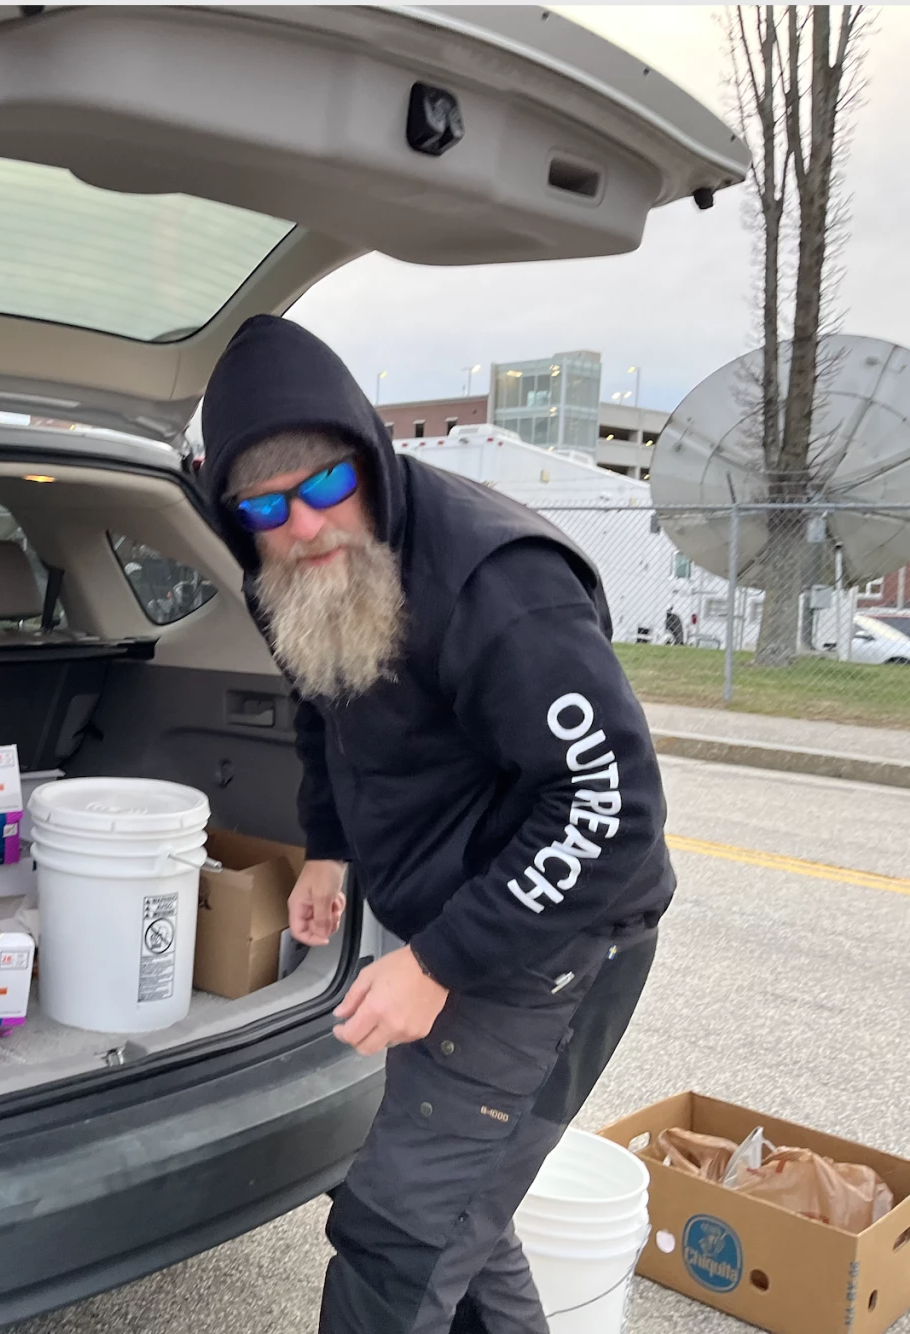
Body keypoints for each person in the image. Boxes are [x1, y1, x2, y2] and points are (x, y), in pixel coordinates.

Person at [199, 316, 673, 1334]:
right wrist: (326, 843)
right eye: (266, 505)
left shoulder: (496, 587)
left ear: (365, 457)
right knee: (463, 1209)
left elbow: (610, 806)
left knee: (393, 1240)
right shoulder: (288, 568)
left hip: (562, 939)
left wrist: (436, 961)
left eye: (324, 485)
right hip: (464, 920)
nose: (306, 524)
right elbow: (321, 699)